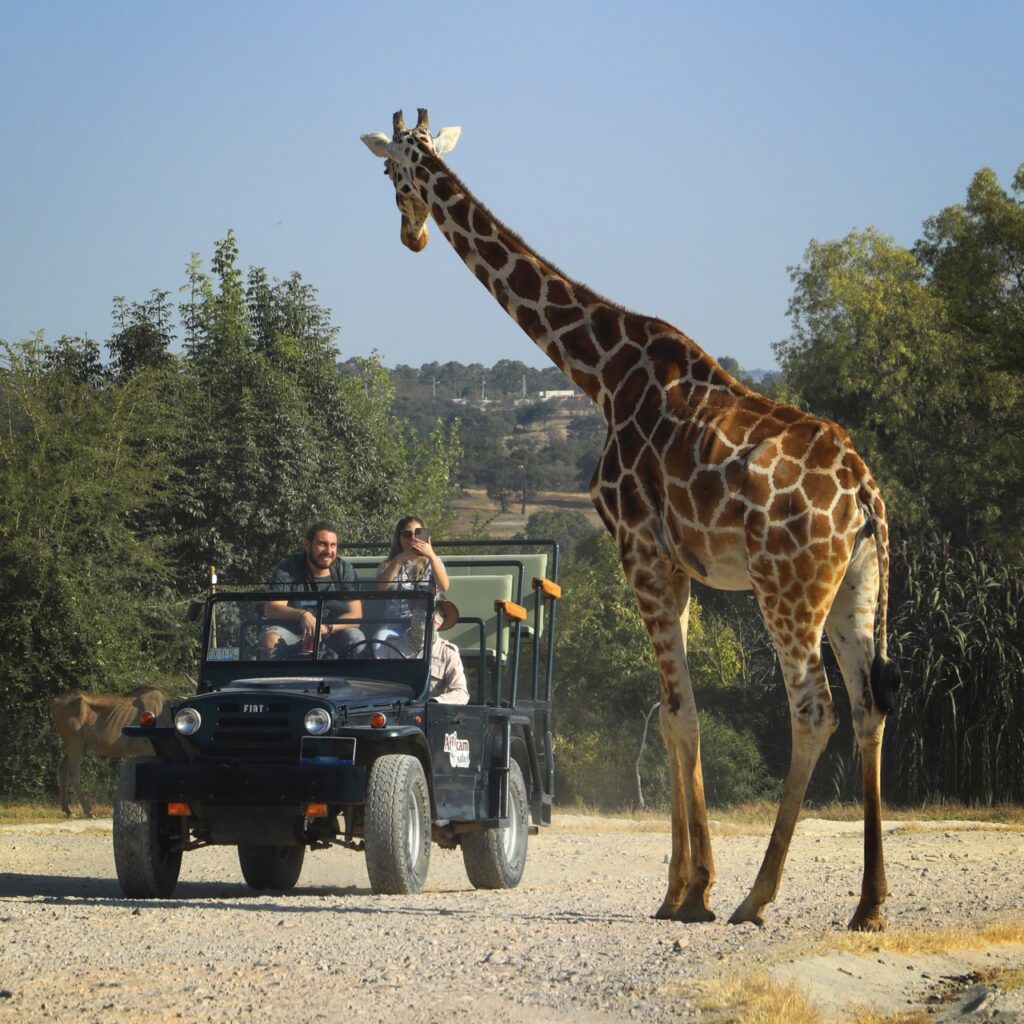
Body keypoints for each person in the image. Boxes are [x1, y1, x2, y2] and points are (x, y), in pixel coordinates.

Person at [261, 521, 366, 658]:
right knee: (270, 639)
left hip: (333, 635)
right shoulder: (288, 568)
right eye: (322, 544)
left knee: (356, 638)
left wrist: (328, 628)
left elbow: (356, 615)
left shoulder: (344, 570)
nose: (328, 551)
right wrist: (303, 615)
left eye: (333, 545)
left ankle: (354, 679)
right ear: (307, 544)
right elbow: (272, 608)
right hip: (293, 634)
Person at [372, 516, 450, 652]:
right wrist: (399, 560)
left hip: (423, 625)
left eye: (418, 534)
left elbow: (444, 586)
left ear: (426, 537)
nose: (412, 538)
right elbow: (381, 589)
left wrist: (431, 555)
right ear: (399, 538)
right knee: (379, 641)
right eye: (407, 534)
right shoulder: (389, 564)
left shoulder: (433, 562)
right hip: (393, 625)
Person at [376, 597, 469, 704]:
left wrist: (434, 703)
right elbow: (374, 683)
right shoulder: (390, 646)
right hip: (393, 710)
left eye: (436, 613)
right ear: (413, 612)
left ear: (441, 621)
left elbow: (461, 693)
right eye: (422, 609)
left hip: (430, 716)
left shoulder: (448, 652)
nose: (427, 615)